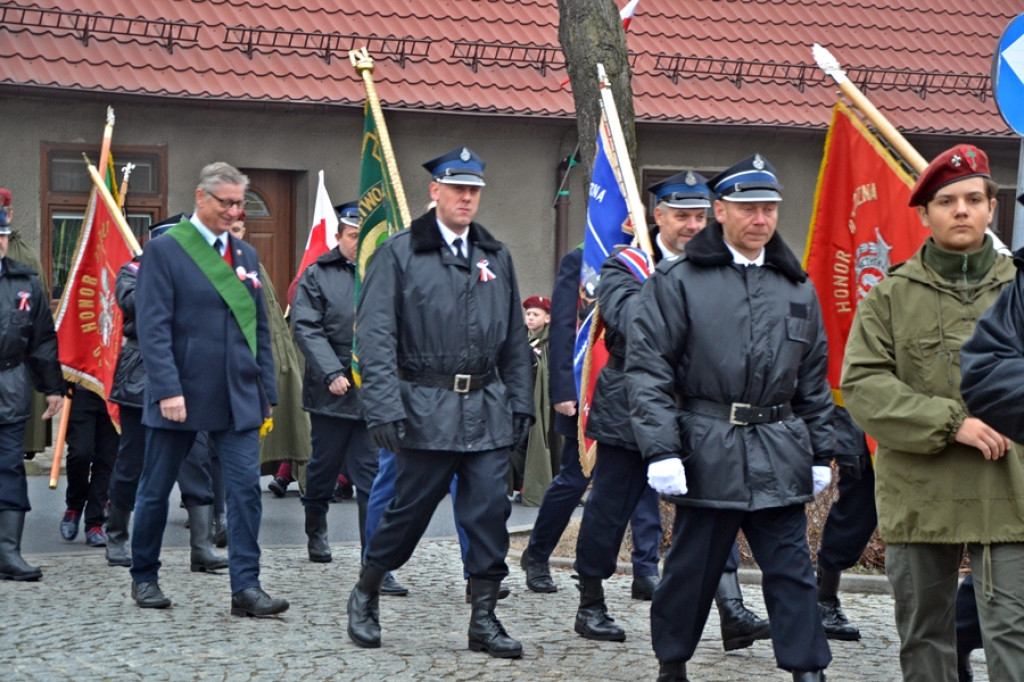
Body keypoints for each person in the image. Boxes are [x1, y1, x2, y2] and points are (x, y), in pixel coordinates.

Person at [627, 154, 834, 682]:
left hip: (779, 448)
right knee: (691, 572)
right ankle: (672, 662)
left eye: (769, 208)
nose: (760, 219)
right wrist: (662, 449)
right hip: (708, 449)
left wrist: (821, 450)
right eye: (748, 208)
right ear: (720, 211)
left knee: (792, 572)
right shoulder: (680, 282)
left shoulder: (796, 287)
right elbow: (649, 371)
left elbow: (813, 378)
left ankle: (807, 669)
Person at [842, 144, 1024, 682]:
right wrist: (953, 424)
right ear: (925, 214)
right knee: (925, 637)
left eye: (974, 198)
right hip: (921, 493)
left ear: (994, 207)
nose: (961, 210)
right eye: (947, 201)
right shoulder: (890, 297)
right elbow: (863, 387)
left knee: (1014, 635)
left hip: (1012, 493)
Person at [346, 146, 533, 658]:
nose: (467, 198)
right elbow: (376, 338)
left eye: (474, 190)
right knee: (407, 511)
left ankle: (485, 617)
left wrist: (522, 404)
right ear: (435, 192)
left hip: (488, 408)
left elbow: (516, 338)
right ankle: (366, 590)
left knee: (488, 514)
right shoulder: (400, 253)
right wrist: (382, 407)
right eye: (458, 189)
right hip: (425, 407)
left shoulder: (495, 255)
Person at [574, 170, 769, 651]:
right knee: (609, 508)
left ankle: (730, 608)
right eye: (681, 216)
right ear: (657, 217)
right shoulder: (628, 265)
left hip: (696, 407)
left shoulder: (720, 266)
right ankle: (591, 600)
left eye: (700, 216)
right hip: (631, 404)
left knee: (709, 506)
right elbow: (629, 322)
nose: (692, 226)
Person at [130, 162, 287, 617]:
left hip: (236, 395)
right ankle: (144, 576)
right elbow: (152, 326)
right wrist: (166, 389)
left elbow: (259, 328)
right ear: (201, 199)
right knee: (156, 489)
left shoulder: (246, 257)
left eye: (240, 203)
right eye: (227, 202)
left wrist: (265, 389)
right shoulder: (165, 251)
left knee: (244, 492)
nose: (236, 212)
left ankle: (246, 589)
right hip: (179, 394)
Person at [519, 246, 665, 601]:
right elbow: (566, 328)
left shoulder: (650, 258)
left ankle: (646, 569)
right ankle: (537, 555)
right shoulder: (582, 257)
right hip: (586, 389)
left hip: (632, 393)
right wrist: (563, 390)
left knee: (644, 483)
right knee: (573, 478)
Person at [106, 215, 228, 572]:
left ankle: (202, 547)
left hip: (193, 377)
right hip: (142, 373)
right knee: (132, 462)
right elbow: (136, 305)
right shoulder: (131, 271)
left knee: (197, 463)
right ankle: (117, 536)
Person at [290, 201, 378, 564]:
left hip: (371, 390)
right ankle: (316, 529)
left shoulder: (381, 272)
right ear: (339, 236)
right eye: (352, 235)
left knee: (370, 477)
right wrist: (332, 372)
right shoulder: (317, 274)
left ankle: (373, 557)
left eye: (363, 236)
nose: (358, 242)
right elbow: (306, 326)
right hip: (332, 390)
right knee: (323, 469)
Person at [0, 218, 63, 580]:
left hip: (9, 385)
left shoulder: (25, 282)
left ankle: (8, 554)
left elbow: (42, 339)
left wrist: (53, 387)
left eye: (2, 236)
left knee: (9, 468)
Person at [511, 294, 556, 506]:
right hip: (520, 400)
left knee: (537, 444)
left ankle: (535, 488)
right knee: (518, 445)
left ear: (547, 318)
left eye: (535, 314)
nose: (530, 318)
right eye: (528, 314)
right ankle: (520, 484)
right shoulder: (519, 337)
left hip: (542, 403)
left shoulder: (551, 341)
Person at [59, 385, 118, 547]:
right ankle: (74, 506)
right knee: (80, 454)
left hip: (115, 391)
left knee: (107, 461)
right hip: (82, 388)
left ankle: (94, 523)